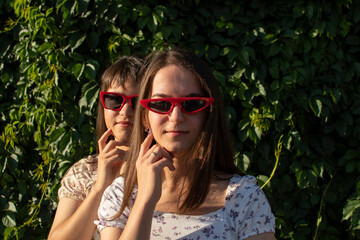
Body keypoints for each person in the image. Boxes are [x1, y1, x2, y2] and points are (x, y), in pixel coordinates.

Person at [96, 48, 275, 240]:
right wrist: (145, 200)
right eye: (161, 104)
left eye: (191, 104)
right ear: (145, 117)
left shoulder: (244, 198)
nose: (176, 117)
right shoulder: (121, 197)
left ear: (209, 114)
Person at [48, 56, 143, 240]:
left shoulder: (169, 168)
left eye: (136, 101)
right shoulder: (84, 172)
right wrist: (100, 186)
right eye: (115, 100)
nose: (125, 111)